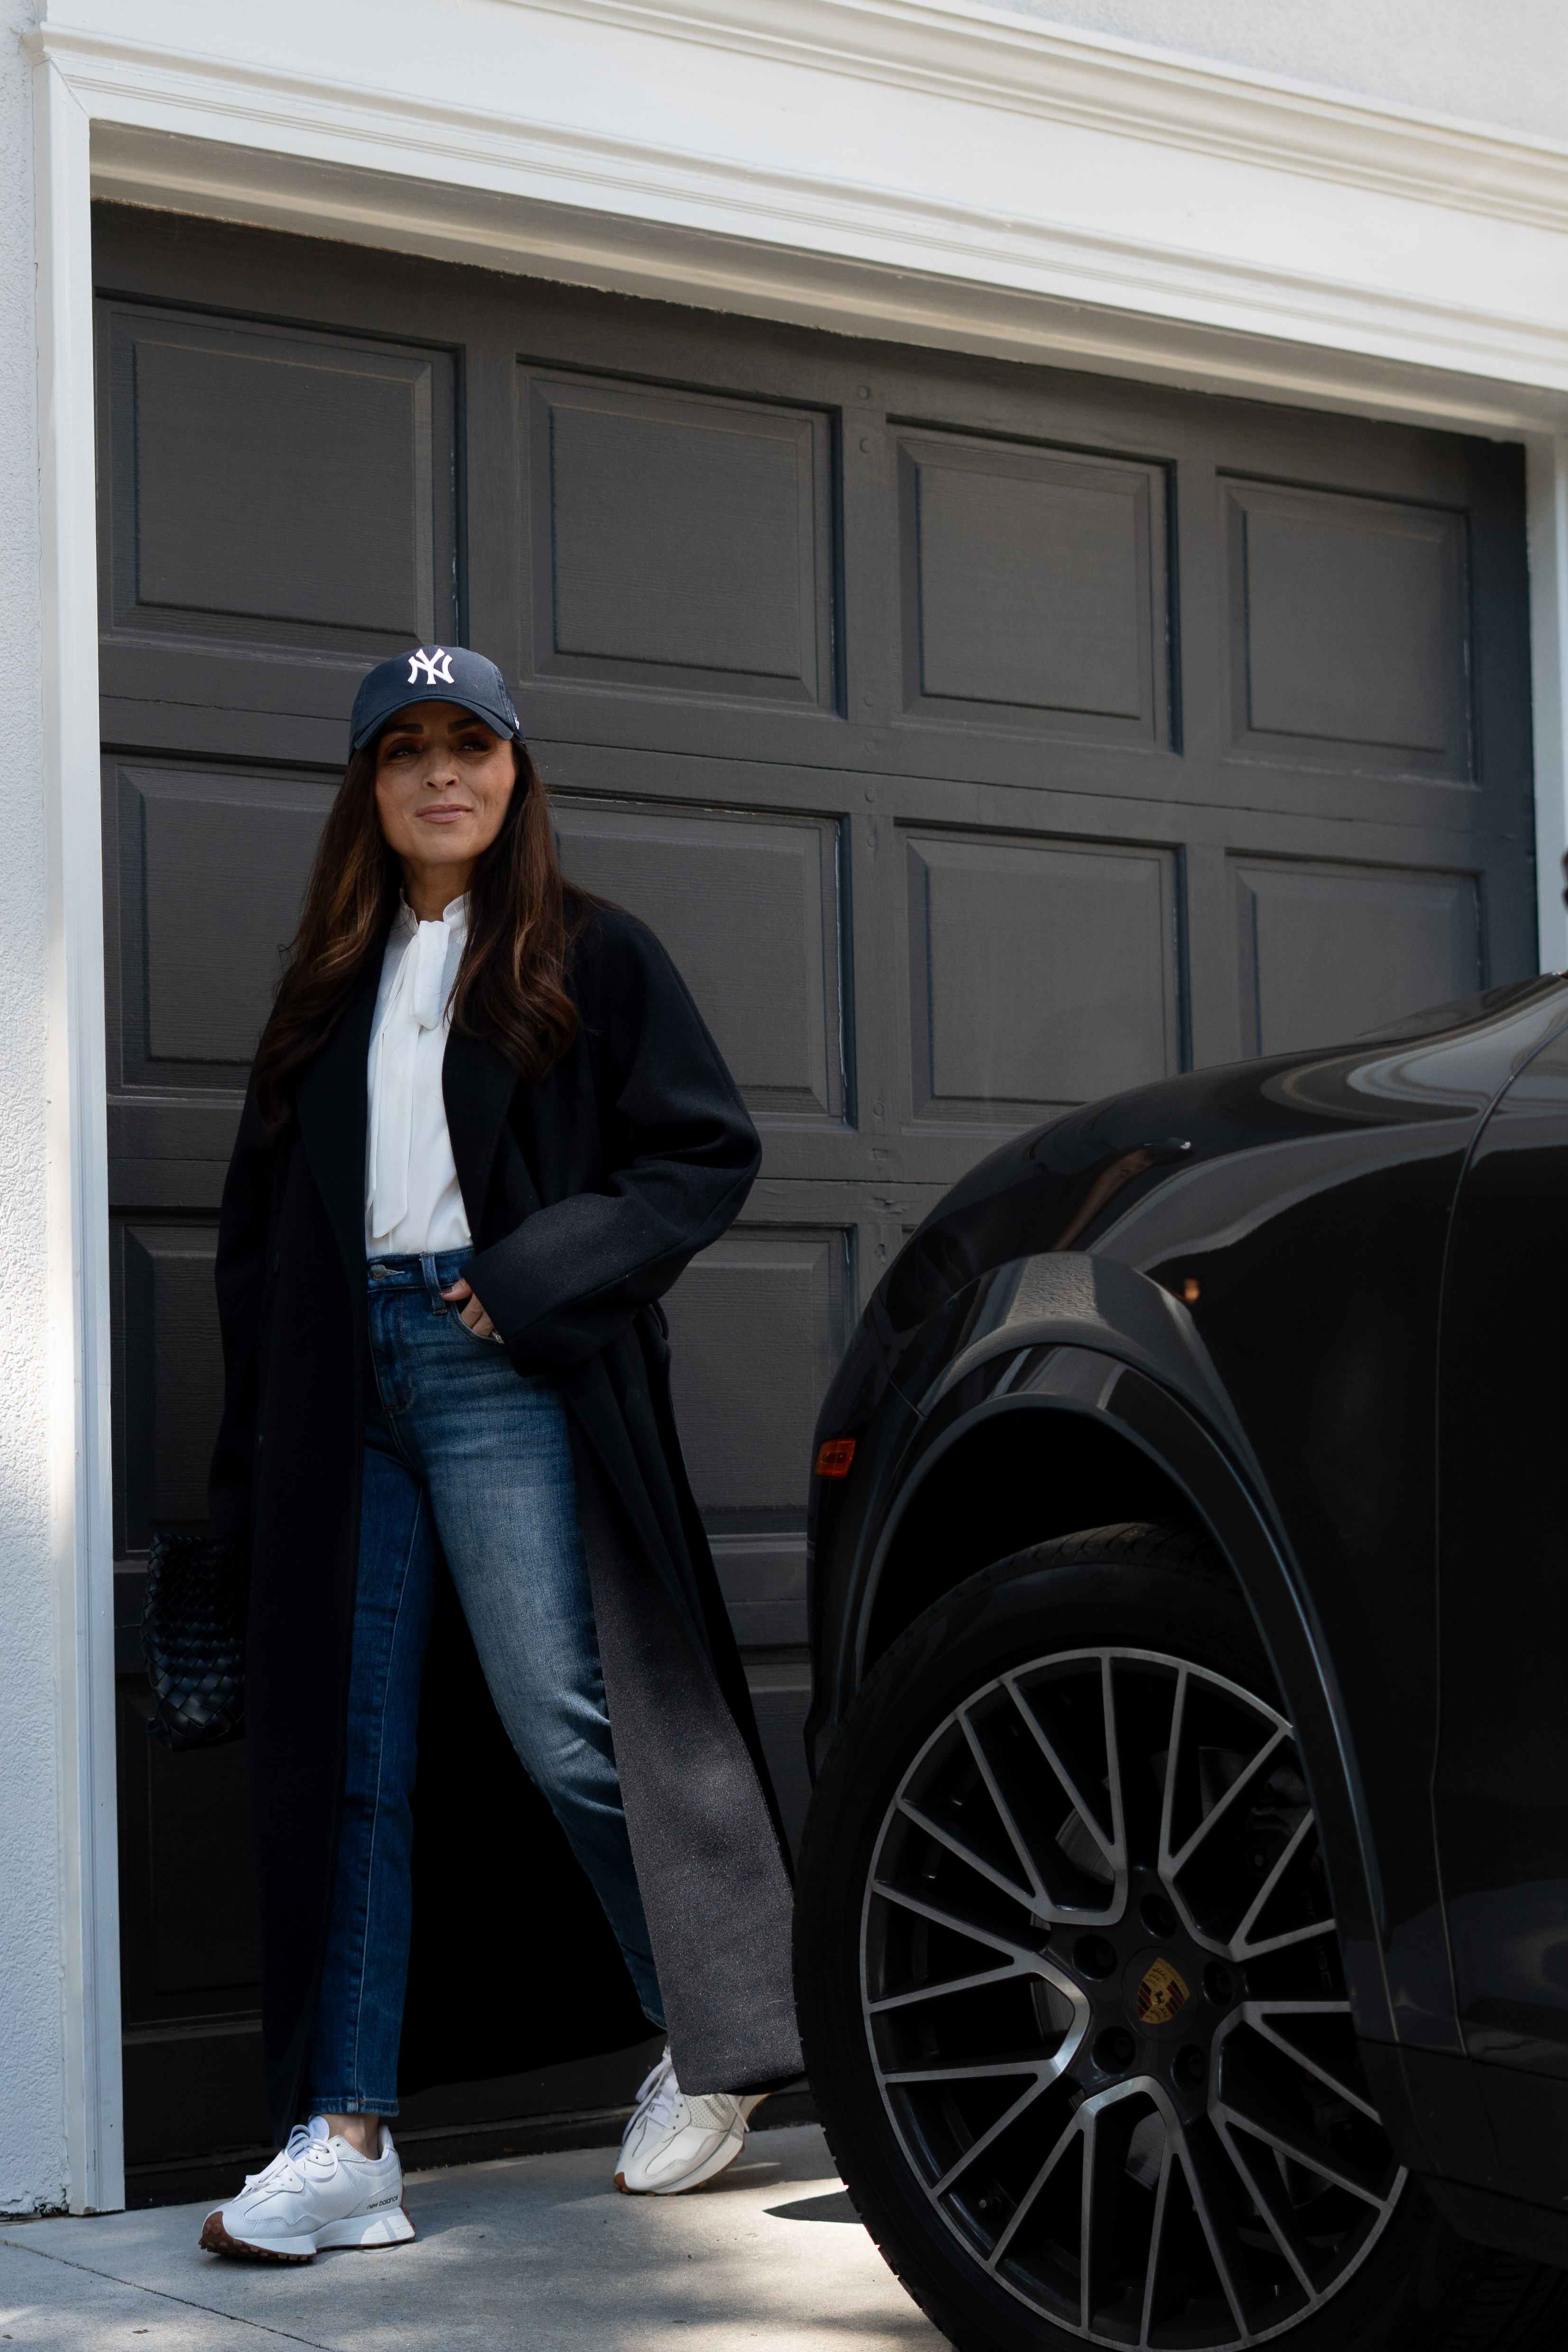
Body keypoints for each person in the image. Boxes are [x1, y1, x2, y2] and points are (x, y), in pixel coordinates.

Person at [198, 647, 800, 2263]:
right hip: (344, 1394)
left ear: (516, 772)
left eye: (470, 744)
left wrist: (531, 1277)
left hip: (495, 1369)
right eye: (406, 750)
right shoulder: (324, 987)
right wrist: (245, 1473)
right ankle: (346, 2136)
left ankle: (720, 2031)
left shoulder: (591, 957)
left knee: (563, 1727)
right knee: (352, 1757)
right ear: (369, 787)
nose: (440, 774)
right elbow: (260, 1248)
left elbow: (703, 1151)